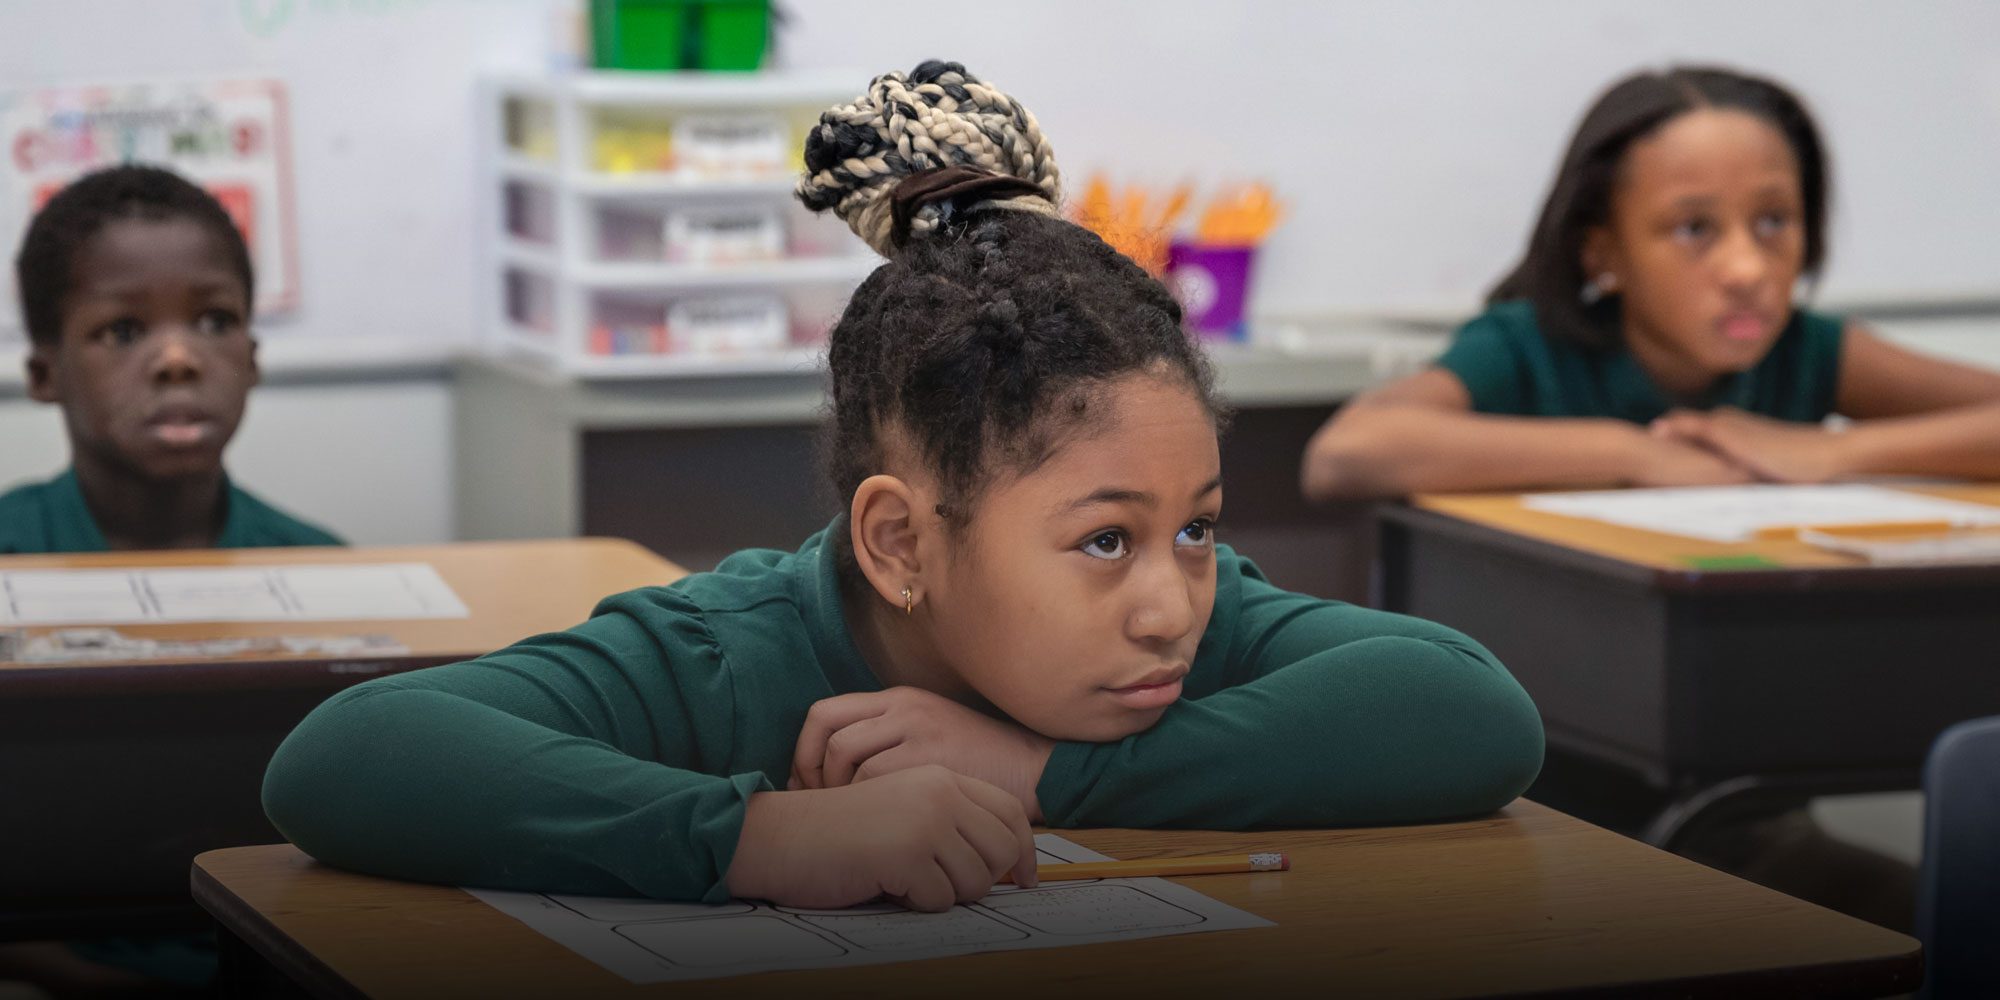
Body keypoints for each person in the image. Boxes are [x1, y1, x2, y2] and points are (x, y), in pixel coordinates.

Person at [263, 61, 1544, 913]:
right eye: (1104, 542)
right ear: (897, 542)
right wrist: (760, 841)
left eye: (1198, 527)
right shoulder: (728, 653)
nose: (1170, 602)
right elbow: (352, 756)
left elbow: (1473, 712)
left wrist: (1037, 773)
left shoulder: (1166, 641)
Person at [1301, 66, 2000, 501]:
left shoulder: (1810, 348)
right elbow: (1346, 454)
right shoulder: (1526, 346)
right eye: (1695, 230)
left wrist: (1834, 451)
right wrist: (1631, 453)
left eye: (1774, 221)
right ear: (1603, 254)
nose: (1749, 270)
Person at [0, 164, 339, 554]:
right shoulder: (11, 555)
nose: (178, 359)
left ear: (251, 359)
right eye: (123, 331)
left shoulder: (319, 570)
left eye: (215, 322)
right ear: (45, 375)